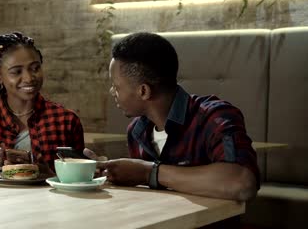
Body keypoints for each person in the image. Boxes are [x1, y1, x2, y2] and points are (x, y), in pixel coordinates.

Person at [86, 32, 259, 202]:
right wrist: (110, 172)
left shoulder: (213, 118)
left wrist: (149, 172)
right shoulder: (137, 131)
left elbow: (241, 183)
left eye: (116, 87)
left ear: (143, 91)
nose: (112, 92)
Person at [0, 32, 85, 170]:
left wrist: (46, 173)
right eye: (16, 72)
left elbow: (81, 178)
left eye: (35, 68)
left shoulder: (66, 121)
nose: (29, 78)